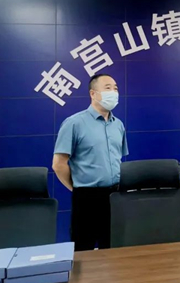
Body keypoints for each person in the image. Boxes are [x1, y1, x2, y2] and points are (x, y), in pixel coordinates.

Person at [52, 74, 128, 251]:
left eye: (115, 88)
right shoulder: (74, 123)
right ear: (93, 94)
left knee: (114, 250)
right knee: (83, 251)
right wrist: (76, 188)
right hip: (87, 198)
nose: (113, 92)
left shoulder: (118, 125)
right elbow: (58, 164)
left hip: (115, 196)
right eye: (108, 88)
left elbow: (119, 159)